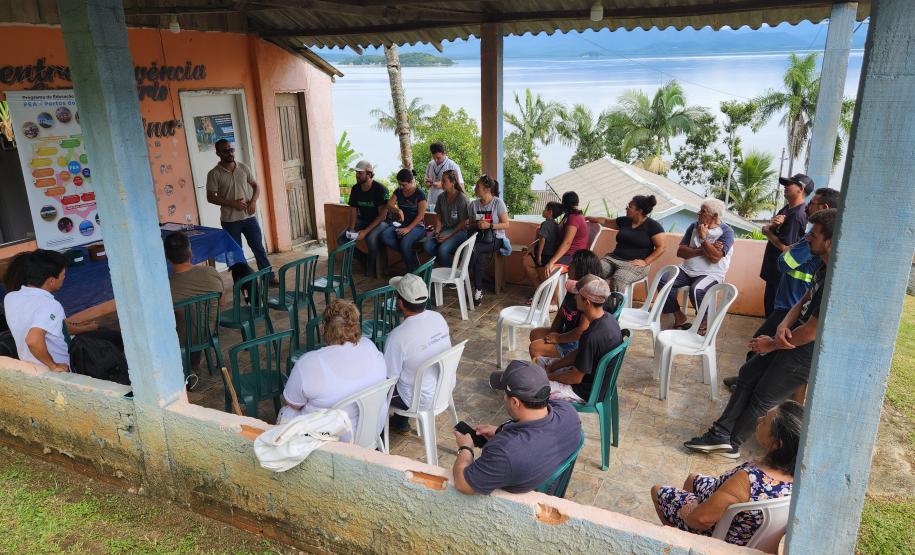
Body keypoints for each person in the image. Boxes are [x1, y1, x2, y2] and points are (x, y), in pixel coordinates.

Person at [684, 209, 836, 458]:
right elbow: (804, 298)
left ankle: (732, 443)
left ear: (830, 241)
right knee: (748, 373)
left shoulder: (835, 280)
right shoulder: (822, 264)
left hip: (804, 352)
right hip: (789, 335)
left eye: (814, 235)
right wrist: (783, 324)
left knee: (762, 396)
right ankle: (720, 434)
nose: (808, 238)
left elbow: (810, 332)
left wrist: (773, 344)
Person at [652, 400, 801, 546]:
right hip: (749, 531)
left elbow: (702, 520)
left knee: (658, 490)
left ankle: (680, 545)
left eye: (765, 422)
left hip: (723, 536)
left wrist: (689, 512)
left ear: (776, 443)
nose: (759, 419)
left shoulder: (749, 479)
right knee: (692, 479)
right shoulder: (798, 475)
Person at [452, 360, 582, 495]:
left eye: (505, 394)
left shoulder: (505, 452)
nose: (503, 398)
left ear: (515, 402)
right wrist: (500, 431)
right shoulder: (568, 412)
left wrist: (465, 448)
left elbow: (463, 484)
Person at [281, 299, 387, 442]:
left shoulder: (310, 363)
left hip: (332, 441)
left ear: (325, 328)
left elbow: (292, 402)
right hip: (371, 432)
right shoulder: (370, 347)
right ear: (355, 326)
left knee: (287, 412)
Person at [2, 249, 123, 375]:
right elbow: (33, 340)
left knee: (103, 333)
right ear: (51, 281)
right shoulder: (50, 305)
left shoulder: (11, 297)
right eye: (63, 274)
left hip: (30, 363)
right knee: (113, 343)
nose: (64, 278)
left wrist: (88, 328)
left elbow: (58, 327)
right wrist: (53, 365)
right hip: (66, 364)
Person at [384, 273, 452, 434]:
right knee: (409, 373)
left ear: (400, 303)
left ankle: (377, 434)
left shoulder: (397, 336)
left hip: (417, 400)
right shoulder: (438, 318)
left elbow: (389, 379)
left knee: (375, 388)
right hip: (443, 389)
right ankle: (400, 422)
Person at [541, 274, 623, 403]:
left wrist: (550, 377)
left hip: (585, 391)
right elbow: (579, 354)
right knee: (542, 362)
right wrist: (554, 365)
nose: (575, 297)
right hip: (592, 381)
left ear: (587, 302)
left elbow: (575, 378)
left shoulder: (592, 335)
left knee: (534, 387)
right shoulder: (608, 319)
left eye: (578, 295)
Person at [206, 139, 276, 286]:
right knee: (234, 254)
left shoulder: (243, 168)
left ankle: (268, 278)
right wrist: (232, 203)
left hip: (249, 218)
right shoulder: (214, 174)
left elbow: (256, 186)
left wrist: (253, 202)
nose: (230, 153)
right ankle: (242, 283)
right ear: (218, 153)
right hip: (230, 221)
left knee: (258, 248)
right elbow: (210, 197)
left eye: (231, 150)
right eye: (225, 151)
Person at [658, 198, 735, 332]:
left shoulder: (727, 232)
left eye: (703, 211)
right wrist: (706, 249)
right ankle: (678, 315)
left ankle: (704, 322)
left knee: (697, 289)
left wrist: (704, 239)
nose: (698, 214)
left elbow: (715, 258)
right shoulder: (694, 226)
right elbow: (681, 252)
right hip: (687, 269)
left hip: (711, 273)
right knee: (663, 280)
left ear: (715, 216)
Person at [163, 232, 225, 381]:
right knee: (193, 319)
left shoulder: (165, 286)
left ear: (166, 256)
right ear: (190, 252)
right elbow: (221, 302)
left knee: (177, 323)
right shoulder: (211, 272)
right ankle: (194, 364)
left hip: (183, 338)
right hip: (209, 331)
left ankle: (179, 368)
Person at [528, 249, 604, 361]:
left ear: (580, 270)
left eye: (571, 266)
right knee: (535, 334)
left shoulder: (587, 297)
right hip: (567, 333)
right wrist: (553, 332)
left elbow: (580, 332)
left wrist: (558, 338)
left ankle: (545, 371)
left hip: (577, 343)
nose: (568, 268)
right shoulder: (573, 287)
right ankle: (548, 365)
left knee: (535, 348)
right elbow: (561, 314)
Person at [586, 194, 666, 293]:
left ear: (639, 211)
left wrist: (645, 262)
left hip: (634, 264)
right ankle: (592, 304)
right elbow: (606, 221)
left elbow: (661, 247)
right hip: (613, 259)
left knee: (618, 280)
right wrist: (592, 219)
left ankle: (615, 307)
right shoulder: (624, 221)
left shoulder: (653, 226)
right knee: (592, 273)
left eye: (630, 207)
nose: (626, 208)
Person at [760, 173, 813, 316]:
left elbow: (786, 248)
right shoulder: (786, 209)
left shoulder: (797, 215)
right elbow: (773, 230)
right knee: (769, 310)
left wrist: (768, 232)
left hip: (781, 274)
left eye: (789, 184)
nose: (785, 186)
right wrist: (771, 227)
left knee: (773, 315)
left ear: (801, 189)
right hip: (773, 271)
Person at [339, 160, 390, 278]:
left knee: (370, 238)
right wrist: (351, 228)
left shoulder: (380, 189)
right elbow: (353, 209)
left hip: (381, 222)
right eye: (356, 173)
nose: (357, 175)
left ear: (369, 174)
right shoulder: (356, 189)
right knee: (342, 238)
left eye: (360, 173)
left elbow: (382, 216)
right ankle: (363, 258)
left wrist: (365, 231)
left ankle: (371, 269)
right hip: (363, 220)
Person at [466, 175, 510, 304]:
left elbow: (506, 224)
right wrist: (477, 224)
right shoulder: (473, 204)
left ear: (486, 189)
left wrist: (490, 225)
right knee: (477, 253)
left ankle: (465, 276)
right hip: (479, 238)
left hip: (496, 239)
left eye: (477, 186)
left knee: (475, 250)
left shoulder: (498, 203)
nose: (475, 188)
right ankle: (478, 290)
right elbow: (470, 224)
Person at [380, 169, 428, 272]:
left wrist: (408, 229)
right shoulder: (399, 191)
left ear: (411, 182)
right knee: (384, 236)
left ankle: (411, 272)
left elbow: (420, 216)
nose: (401, 187)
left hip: (417, 227)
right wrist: (398, 210)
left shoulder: (420, 194)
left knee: (404, 243)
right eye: (399, 184)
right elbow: (389, 205)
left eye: (404, 185)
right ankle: (411, 256)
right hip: (402, 224)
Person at [425, 169, 470, 268]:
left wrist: (449, 235)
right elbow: (439, 217)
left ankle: (448, 274)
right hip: (444, 229)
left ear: (453, 182)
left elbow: (463, 222)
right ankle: (448, 266)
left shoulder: (462, 198)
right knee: (427, 246)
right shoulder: (441, 197)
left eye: (444, 181)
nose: (442, 183)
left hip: (459, 231)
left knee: (443, 249)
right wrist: (437, 231)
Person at [521, 201, 562, 291]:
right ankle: (539, 291)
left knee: (526, 262)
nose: (543, 211)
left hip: (544, 255)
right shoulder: (556, 225)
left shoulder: (545, 224)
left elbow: (542, 239)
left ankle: (539, 291)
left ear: (550, 212)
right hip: (551, 255)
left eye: (545, 209)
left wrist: (539, 255)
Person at [545, 191, 589, 274]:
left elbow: (567, 243)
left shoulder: (574, 218)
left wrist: (551, 262)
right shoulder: (569, 215)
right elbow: (557, 231)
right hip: (563, 253)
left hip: (573, 257)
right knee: (528, 261)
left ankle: (554, 287)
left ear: (565, 203)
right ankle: (540, 287)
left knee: (550, 269)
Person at [423, 142, 464, 209]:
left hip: (447, 204)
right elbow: (426, 183)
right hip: (431, 203)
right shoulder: (430, 164)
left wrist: (443, 184)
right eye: (434, 158)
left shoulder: (452, 165)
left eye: (438, 158)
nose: (436, 160)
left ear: (444, 153)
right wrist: (428, 183)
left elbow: (461, 186)